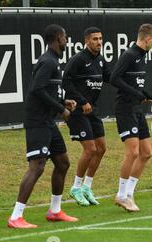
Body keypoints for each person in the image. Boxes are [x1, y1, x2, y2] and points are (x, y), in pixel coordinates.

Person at [8, 24, 78, 228]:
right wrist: (61, 109)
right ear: (58, 37)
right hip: (38, 122)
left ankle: (55, 211)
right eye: (65, 36)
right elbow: (36, 90)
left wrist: (63, 102)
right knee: (37, 166)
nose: (67, 39)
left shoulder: (53, 61)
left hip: (48, 122)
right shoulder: (48, 61)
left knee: (63, 163)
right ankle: (15, 216)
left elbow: (46, 90)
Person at [110, 23, 152, 212]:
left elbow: (135, 83)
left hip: (136, 109)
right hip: (125, 109)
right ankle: (121, 195)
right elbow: (115, 78)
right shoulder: (129, 54)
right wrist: (135, 93)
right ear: (147, 39)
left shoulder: (142, 56)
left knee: (146, 153)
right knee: (133, 153)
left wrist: (145, 94)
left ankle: (129, 194)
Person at [63, 27, 111, 206]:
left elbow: (110, 77)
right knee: (90, 149)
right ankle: (75, 187)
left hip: (93, 111)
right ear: (86, 41)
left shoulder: (100, 60)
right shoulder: (78, 59)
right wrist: (82, 101)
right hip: (78, 111)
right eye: (95, 39)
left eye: (100, 39)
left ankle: (87, 187)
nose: (99, 42)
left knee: (101, 148)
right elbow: (66, 82)